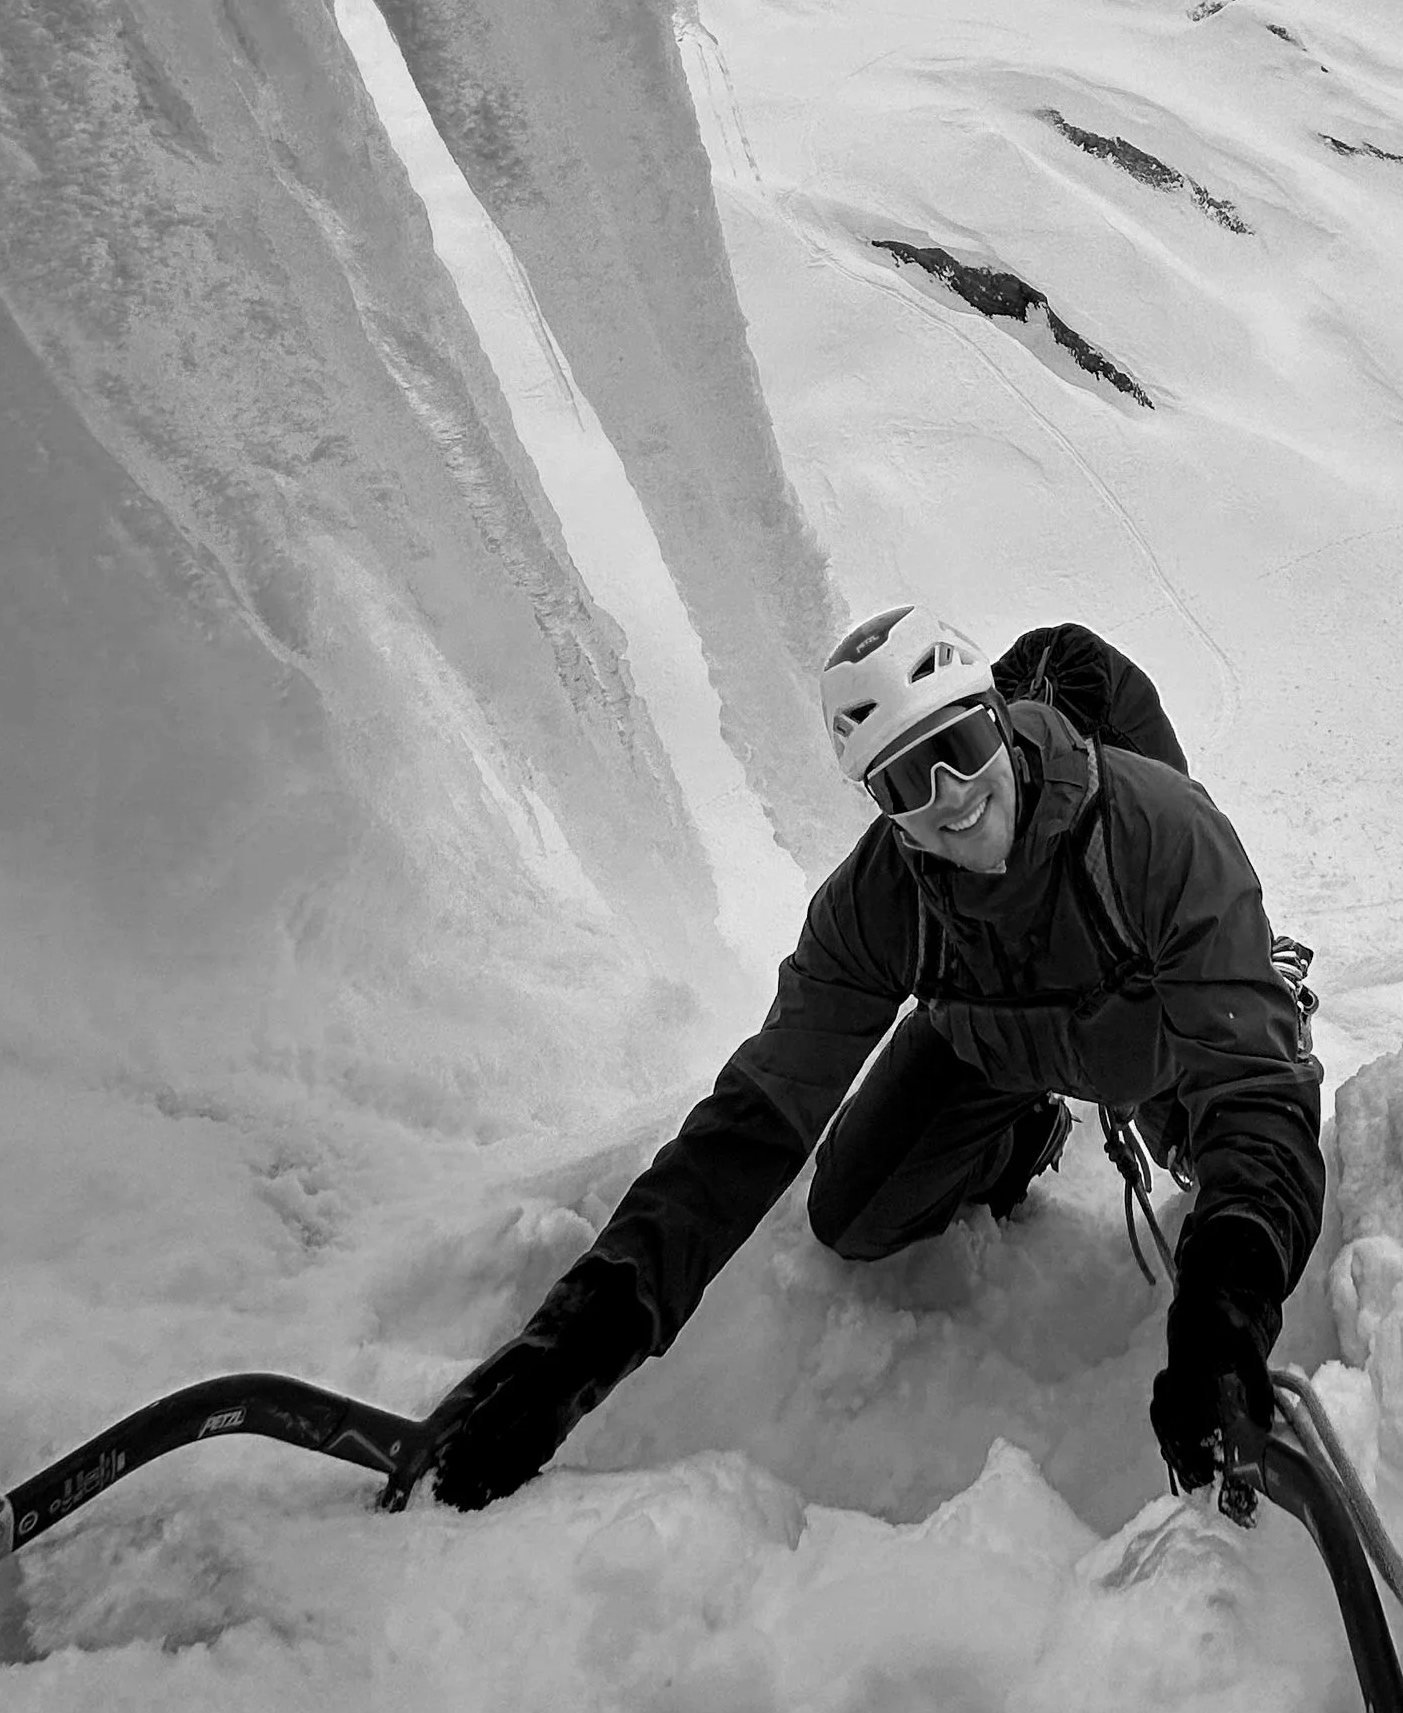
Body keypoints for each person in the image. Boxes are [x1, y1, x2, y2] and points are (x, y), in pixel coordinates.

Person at [395, 605, 1324, 1512]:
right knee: (853, 1213)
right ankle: (1022, 1132)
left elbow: (1256, 1093)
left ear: (996, 719)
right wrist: (574, 1343)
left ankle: (1252, 1007)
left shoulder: (1158, 830)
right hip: (990, 1050)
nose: (948, 797)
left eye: (957, 747)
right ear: (877, 804)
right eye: (903, 782)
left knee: (1231, 1180)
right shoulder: (881, 901)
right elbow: (755, 1117)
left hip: (1158, 1039)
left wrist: (1225, 1315)